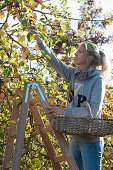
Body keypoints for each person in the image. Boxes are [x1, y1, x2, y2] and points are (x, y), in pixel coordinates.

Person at [35, 34, 108, 170]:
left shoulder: (97, 80)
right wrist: (40, 42)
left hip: (90, 141)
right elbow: (54, 61)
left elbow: (92, 111)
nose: (75, 53)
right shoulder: (73, 74)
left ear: (89, 58)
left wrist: (63, 111)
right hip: (74, 139)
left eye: (80, 52)